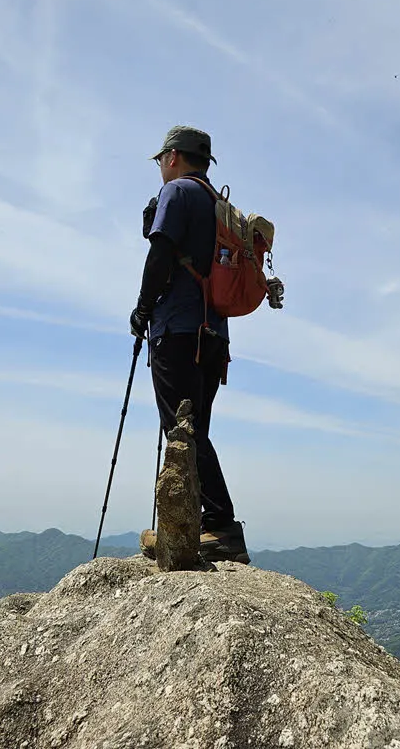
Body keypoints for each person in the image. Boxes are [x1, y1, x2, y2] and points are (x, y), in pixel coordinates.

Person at [131, 125, 250, 564]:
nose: (161, 166)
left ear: (173, 156)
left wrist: (143, 309)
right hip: (214, 336)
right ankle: (198, 523)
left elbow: (160, 254)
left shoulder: (176, 192)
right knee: (196, 427)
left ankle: (220, 525)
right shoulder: (220, 203)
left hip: (178, 329)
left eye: (161, 159)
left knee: (182, 430)